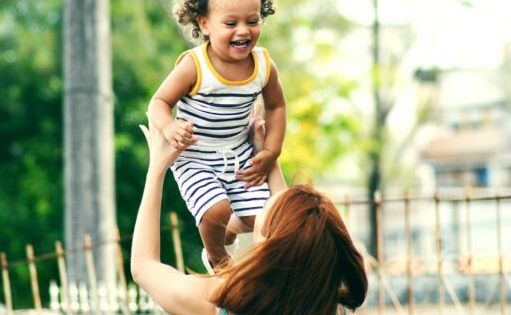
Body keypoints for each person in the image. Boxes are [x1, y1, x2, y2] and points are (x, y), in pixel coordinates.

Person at [132, 114, 368, 315]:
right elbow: (293, 234)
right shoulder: (327, 304)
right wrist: (264, 153)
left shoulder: (221, 300)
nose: (261, 203)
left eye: (265, 207)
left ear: (269, 245)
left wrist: (156, 168)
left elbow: (144, 267)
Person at [147, 0, 286, 272]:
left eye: (252, 20)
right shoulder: (195, 66)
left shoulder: (264, 65)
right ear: (204, 24)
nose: (243, 30)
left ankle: (230, 230)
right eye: (230, 23)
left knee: (261, 219)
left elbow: (277, 107)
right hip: (196, 156)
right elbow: (158, 102)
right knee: (215, 211)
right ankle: (218, 259)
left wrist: (270, 152)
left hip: (238, 154)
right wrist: (169, 126)